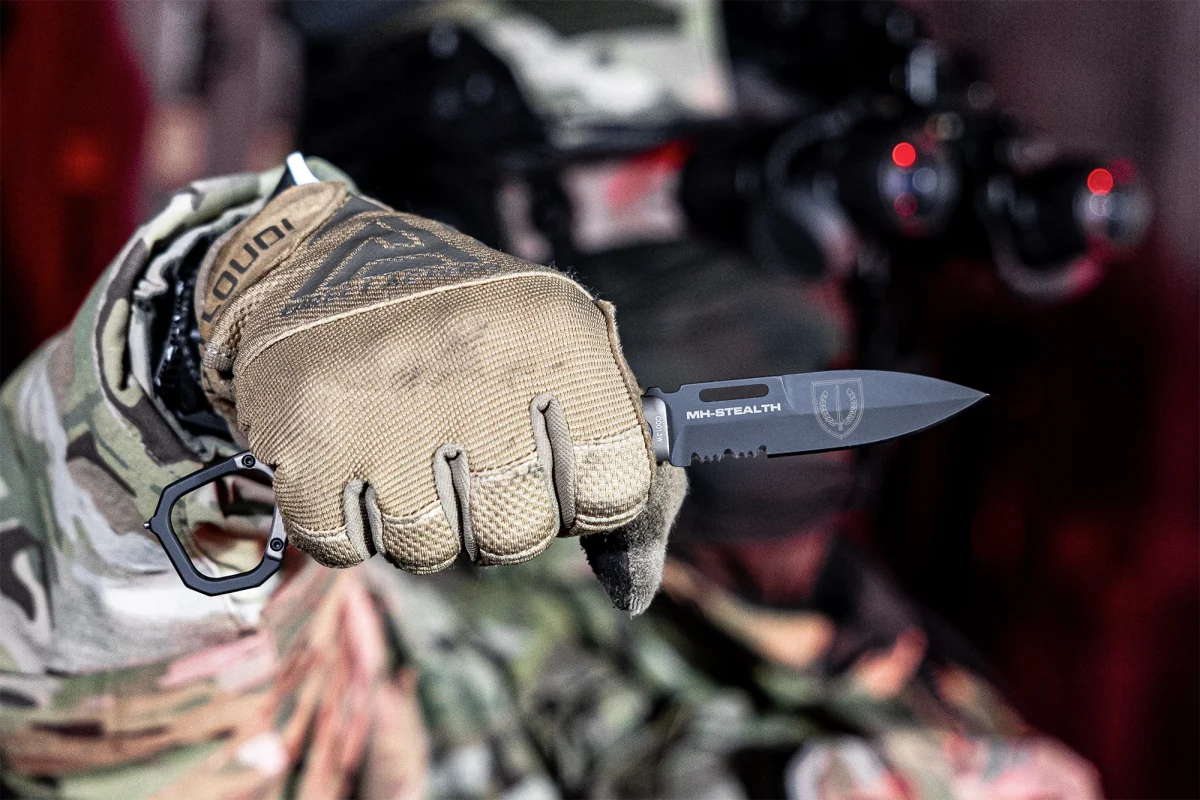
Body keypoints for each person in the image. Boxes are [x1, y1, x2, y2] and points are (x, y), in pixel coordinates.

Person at [0, 158, 1100, 800]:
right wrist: (220, 329)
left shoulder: (917, 702)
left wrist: (199, 375)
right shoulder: (903, 699)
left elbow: (163, 746)